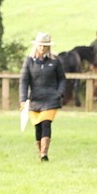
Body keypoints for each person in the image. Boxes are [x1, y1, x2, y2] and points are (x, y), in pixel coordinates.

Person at [19, 32, 66, 162]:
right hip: (35, 99)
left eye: (45, 46)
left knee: (46, 123)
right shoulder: (29, 61)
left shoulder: (55, 61)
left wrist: (59, 93)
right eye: (40, 46)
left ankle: (44, 153)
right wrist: (23, 99)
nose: (42, 48)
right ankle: (40, 150)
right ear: (36, 46)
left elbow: (62, 79)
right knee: (38, 126)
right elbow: (24, 81)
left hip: (51, 99)